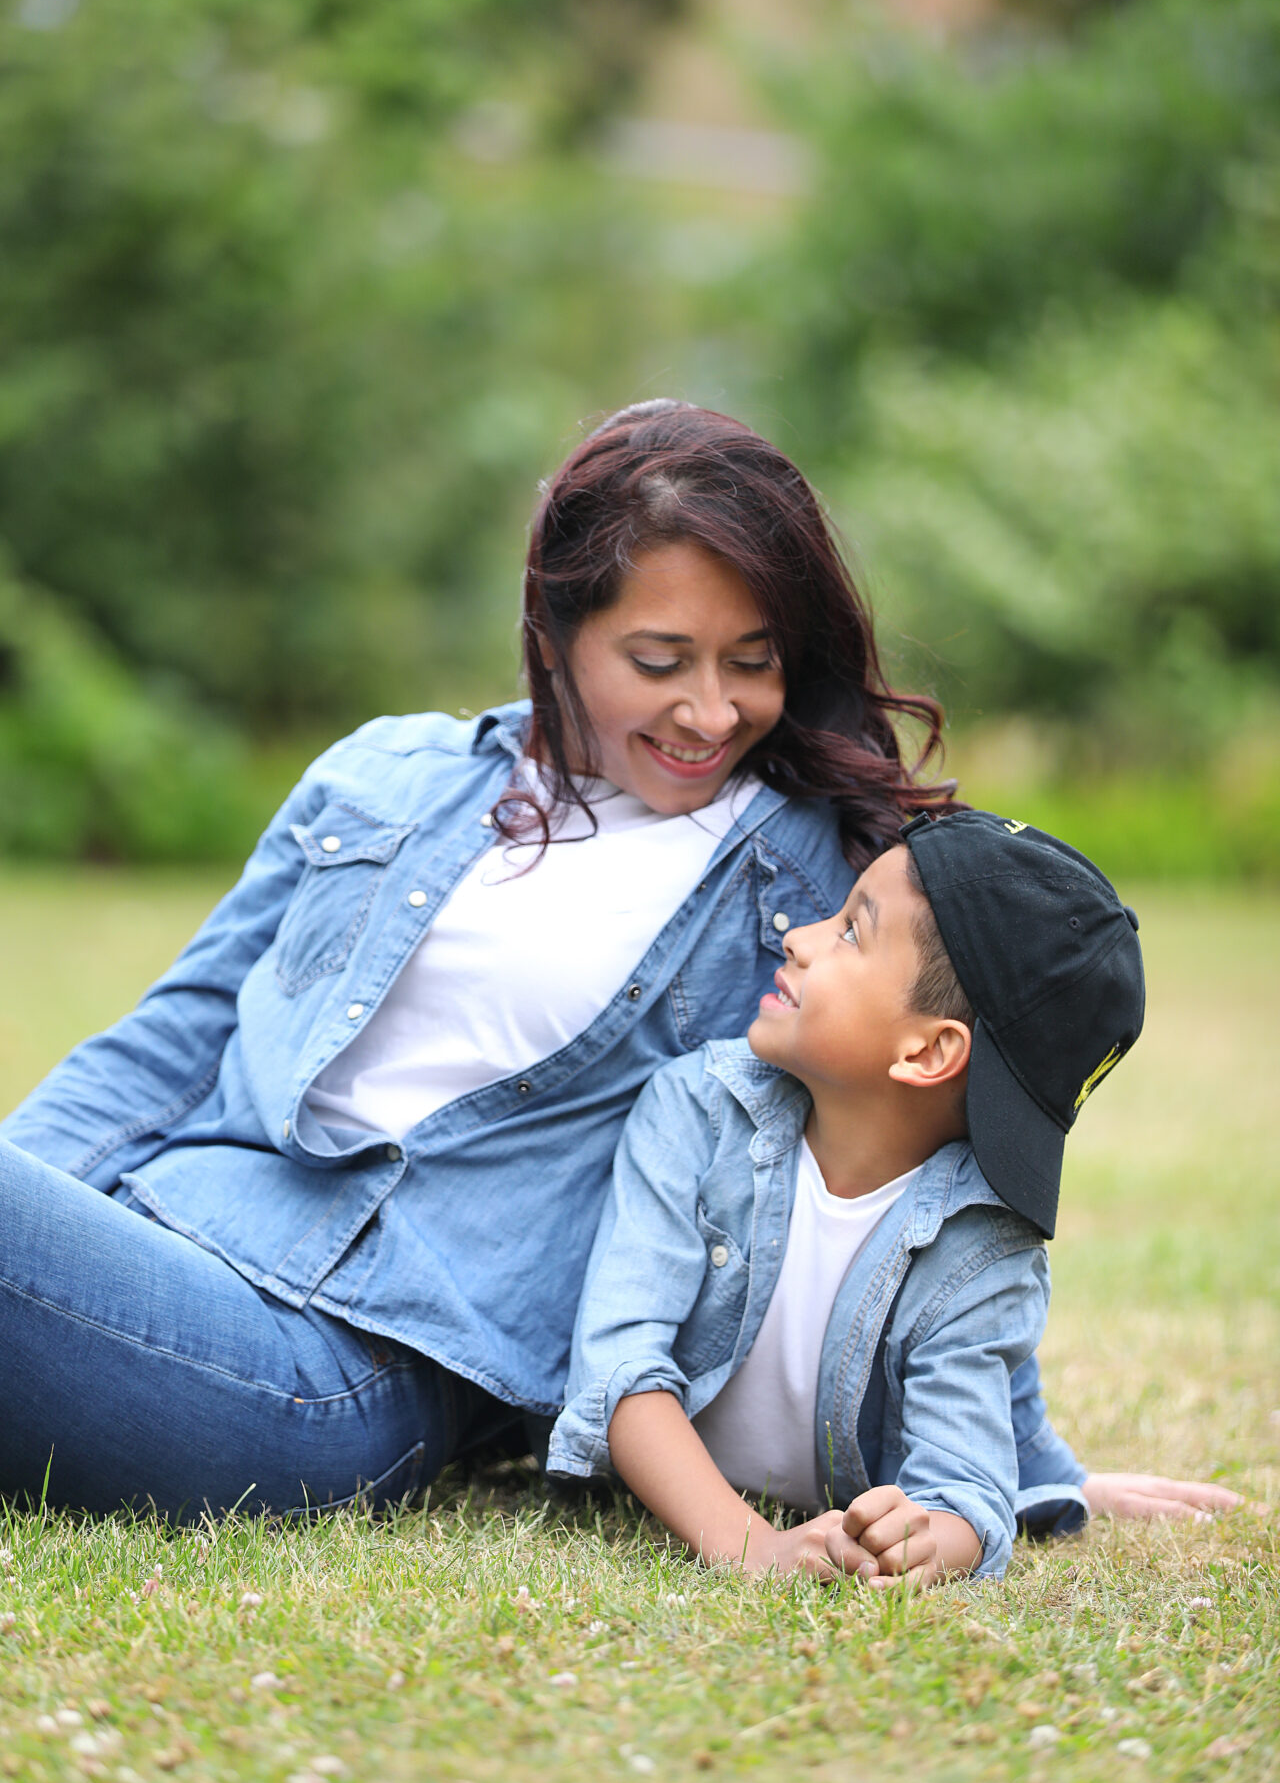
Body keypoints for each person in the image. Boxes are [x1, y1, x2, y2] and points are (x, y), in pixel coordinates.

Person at [0, 401, 1236, 1527]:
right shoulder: (384, 773)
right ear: (553, 629)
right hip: (148, 1234)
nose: (709, 711)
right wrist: (46, 1241)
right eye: (659, 662)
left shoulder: (799, 882)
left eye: (750, 660)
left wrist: (1031, 1476)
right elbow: (170, 1045)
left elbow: (924, 1172)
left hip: (328, 1357)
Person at [549, 812, 1154, 1581]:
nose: (799, 935)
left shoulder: (984, 1248)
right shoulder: (696, 1109)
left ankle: (1047, 1472)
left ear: (928, 1051)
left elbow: (962, 1487)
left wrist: (928, 1539)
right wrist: (752, 1545)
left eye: (849, 932)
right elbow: (621, 1364)